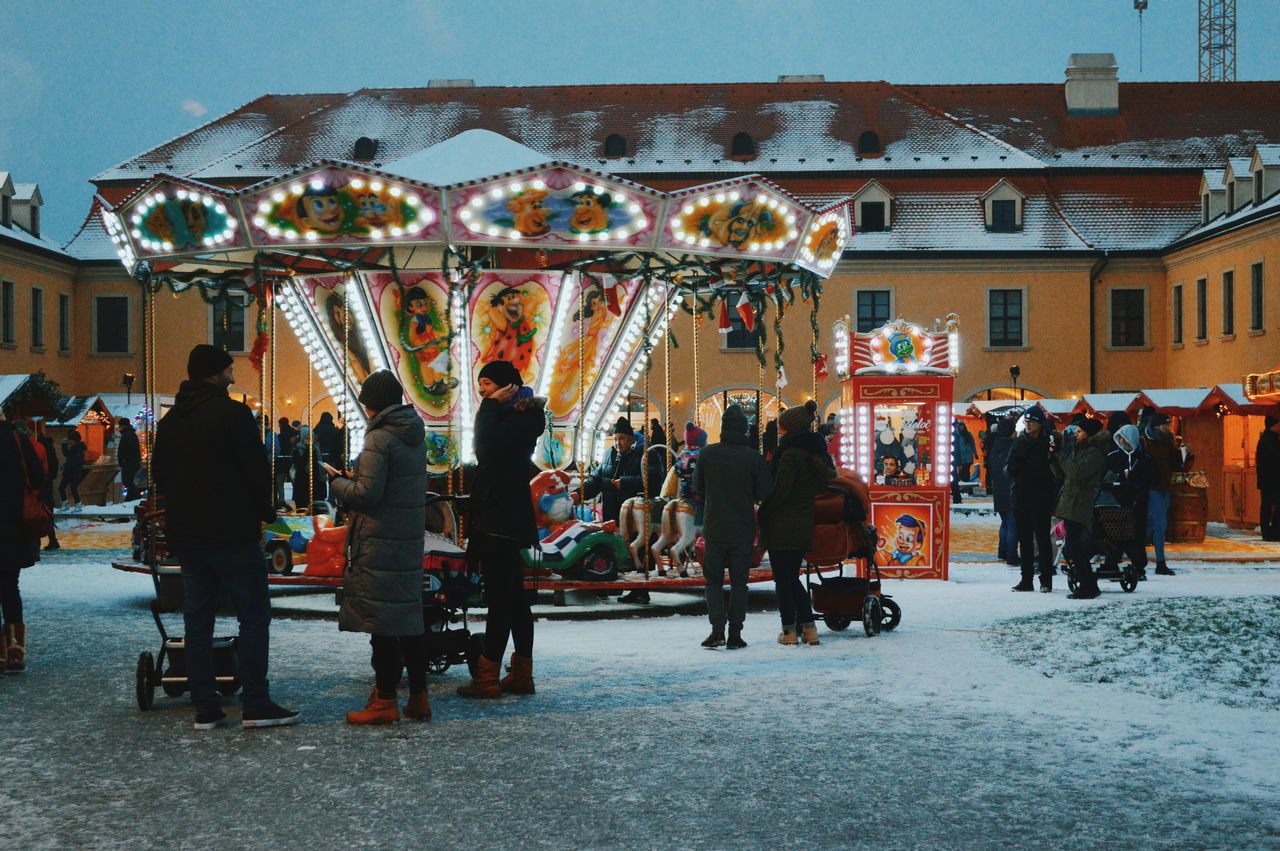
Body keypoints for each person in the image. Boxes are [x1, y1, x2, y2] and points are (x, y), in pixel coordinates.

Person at [152, 344, 298, 730]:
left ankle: (206, 707)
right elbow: (254, 469)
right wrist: (264, 511)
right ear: (216, 373)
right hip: (232, 532)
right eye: (229, 368)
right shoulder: (233, 414)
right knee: (253, 616)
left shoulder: (170, 423)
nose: (234, 374)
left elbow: (159, 476)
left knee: (198, 620)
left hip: (190, 535)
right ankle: (255, 701)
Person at [329, 371, 430, 724]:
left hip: (380, 541)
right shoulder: (414, 435)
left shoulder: (380, 439)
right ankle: (419, 697)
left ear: (371, 403)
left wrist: (339, 482)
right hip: (406, 539)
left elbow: (367, 494)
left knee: (383, 626)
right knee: (409, 621)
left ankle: (385, 700)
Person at [456, 360, 546, 699]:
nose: (484, 394)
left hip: (500, 517)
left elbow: (484, 447)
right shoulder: (514, 416)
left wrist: (489, 407)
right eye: (481, 389)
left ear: (508, 386)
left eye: (489, 387)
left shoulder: (519, 418)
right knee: (515, 599)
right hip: (502, 514)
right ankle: (521, 672)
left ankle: (487, 676)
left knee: (501, 599)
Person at [692, 404, 772, 649]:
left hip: (715, 527)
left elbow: (697, 487)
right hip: (743, 530)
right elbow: (764, 492)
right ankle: (735, 634)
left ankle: (717, 630)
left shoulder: (708, 454)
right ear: (745, 430)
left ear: (724, 428)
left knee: (713, 581)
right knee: (739, 583)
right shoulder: (753, 458)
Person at [758, 401, 836, 647]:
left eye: (781, 425)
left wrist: (765, 510)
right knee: (791, 577)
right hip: (802, 519)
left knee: (784, 579)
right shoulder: (813, 451)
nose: (779, 429)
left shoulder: (791, 453)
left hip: (783, 522)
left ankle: (789, 630)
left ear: (790, 428)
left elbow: (782, 489)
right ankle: (809, 629)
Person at [1, 409, 44, 675]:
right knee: (9, 586)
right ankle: (15, 648)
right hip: (13, 526)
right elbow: (39, 479)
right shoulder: (20, 441)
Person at [1051, 418, 1110, 599]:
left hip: (1080, 502)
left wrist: (1061, 454)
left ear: (1089, 434)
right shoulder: (1080, 449)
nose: (1076, 434)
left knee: (1075, 546)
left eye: (1079, 431)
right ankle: (1088, 583)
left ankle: (1088, 585)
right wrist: (1054, 457)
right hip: (1071, 501)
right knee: (1073, 545)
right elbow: (1063, 473)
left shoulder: (1094, 453)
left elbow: (1076, 472)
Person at [1005, 405, 1056, 592]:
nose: (1028, 425)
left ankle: (1046, 580)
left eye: (1031, 422)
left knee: (1042, 540)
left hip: (1041, 496)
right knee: (1024, 540)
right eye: (1026, 422)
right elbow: (1010, 468)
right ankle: (1026, 579)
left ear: (1039, 423)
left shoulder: (1048, 442)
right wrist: (1014, 468)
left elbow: (1051, 469)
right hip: (1020, 496)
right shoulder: (1019, 442)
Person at [1104, 424, 1154, 579]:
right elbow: (1105, 477)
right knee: (1113, 533)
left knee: (1137, 535)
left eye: (1125, 438)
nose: (1123, 441)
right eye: (1121, 438)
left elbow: (1151, 479)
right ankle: (1112, 562)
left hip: (1137, 502)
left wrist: (1134, 481)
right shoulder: (1113, 456)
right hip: (1117, 502)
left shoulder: (1145, 458)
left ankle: (1139, 566)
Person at [579, 417, 645, 524]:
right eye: (615, 439)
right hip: (611, 515)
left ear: (631, 439)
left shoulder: (645, 454)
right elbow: (595, 481)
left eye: (621, 438)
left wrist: (625, 482)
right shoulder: (608, 455)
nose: (617, 443)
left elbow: (653, 480)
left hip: (633, 516)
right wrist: (578, 494)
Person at [1141, 409, 1182, 575]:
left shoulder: (1165, 441)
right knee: (1159, 524)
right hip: (1154, 486)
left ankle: (1143, 557)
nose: (1169, 427)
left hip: (1163, 485)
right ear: (1158, 426)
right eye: (1167, 424)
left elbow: (1175, 462)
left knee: (1153, 525)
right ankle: (1160, 562)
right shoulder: (1147, 442)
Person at [986, 415, 1018, 566]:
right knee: (1013, 524)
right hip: (1012, 489)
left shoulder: (994, 447)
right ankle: (1012, 555)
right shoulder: (1014, 446)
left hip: (998, 488)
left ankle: (1002, 551)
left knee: (1005, 523)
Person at [34, 422, 60, 551]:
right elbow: (55, 462)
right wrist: (51, 476)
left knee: (35, 512)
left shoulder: (36, 445)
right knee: (47, 511)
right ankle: (52, 539)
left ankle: (36, 542)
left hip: (38, 482)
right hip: (47, 481)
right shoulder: (49, 445)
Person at [1256, 415, 1280, 541]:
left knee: (1267, 506)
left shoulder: (1267, 438)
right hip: (1271, 480)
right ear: (1274, 426)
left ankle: (1270, 531)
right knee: (1270, 505)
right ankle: (1271, 531)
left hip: (1268, 480)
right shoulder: (1270, 440)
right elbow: (1276, 458)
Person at [58, 430, 86, 511]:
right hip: (69, 472)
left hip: (74, 473)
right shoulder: (74, 448)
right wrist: (64, 445)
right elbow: (66, 454)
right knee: (61, 488)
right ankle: (66, 504)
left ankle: (78, 505)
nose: (69, 441)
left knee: (73, 489)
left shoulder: (78, 450)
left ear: (74, 440)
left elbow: (75, 462)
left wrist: (65, 465)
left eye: (70, 440)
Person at [951, 418, 976, 504]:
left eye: (962, 426)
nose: (961, 427)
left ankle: (966, 488)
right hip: (960, 456)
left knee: (966, 471)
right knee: (961, 472)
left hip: (967, 455)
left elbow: (972, 444)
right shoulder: (957, 434)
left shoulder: (968, 434)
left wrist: (975, 453)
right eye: (959, 426)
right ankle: (963, 489)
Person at [116, 418, 141, 501]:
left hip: (129, 463)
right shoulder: (130, 434)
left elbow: (129, 449)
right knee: (129, 481)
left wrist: (124, 459)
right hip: (131, 462)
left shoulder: (128, 435)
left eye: (120, 426)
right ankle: (129, 500)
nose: (119, 428)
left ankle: (138, 498)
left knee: (127, 481)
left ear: (123, 426)